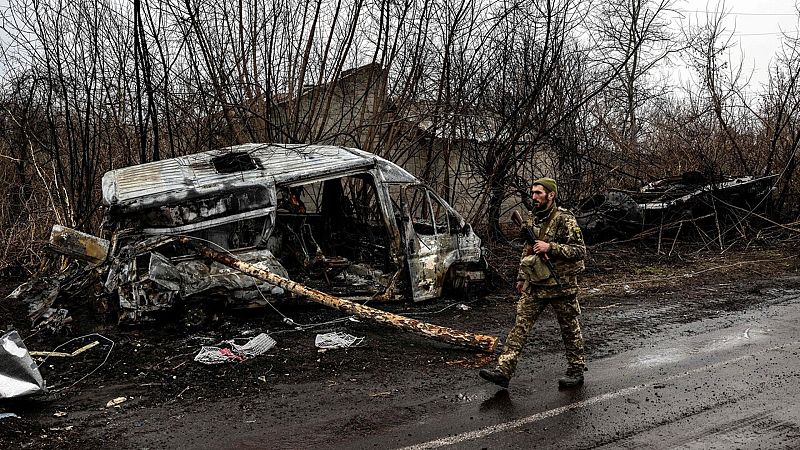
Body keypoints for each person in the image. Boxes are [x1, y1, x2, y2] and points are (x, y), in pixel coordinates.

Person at [479, 177, 587, 389]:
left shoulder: (565, 218)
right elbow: (527, 250)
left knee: (570, 329)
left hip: (561, 285)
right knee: (520, 326)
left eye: (538, 193)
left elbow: (580, 250)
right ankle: (503, 371)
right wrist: (521, 277)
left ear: (551, 195)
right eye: (533, 193)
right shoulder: (532, 217)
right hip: (536, 283)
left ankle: (576, 371)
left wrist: (550, 247)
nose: (534, 197)